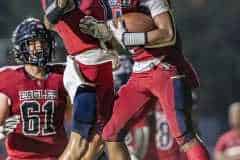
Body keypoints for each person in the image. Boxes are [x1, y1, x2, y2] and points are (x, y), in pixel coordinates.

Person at [84, 0, 210, 159]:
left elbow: (168, 34)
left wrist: (129, 38)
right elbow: (118, 36)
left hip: (164, 67)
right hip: (139, 72)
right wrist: (105, 35)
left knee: (185, 136)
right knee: (111, 132)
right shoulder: (109, 4)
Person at [40, 1, 130, 159]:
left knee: (109, 137)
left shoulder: (107, 3)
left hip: (104, 69)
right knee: (79, 142)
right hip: (84, 69)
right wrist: (60, 5)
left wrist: (108, 37)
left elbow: (116, 42)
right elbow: (49, 21)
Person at [0, 17, 69, 160]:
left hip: (56, 156)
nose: (38, 47)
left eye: (42, 42)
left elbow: (75, 117)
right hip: (21, 157)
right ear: (20, 47)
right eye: (32, 43)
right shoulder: (9, 79)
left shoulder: (63, 75)